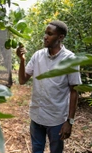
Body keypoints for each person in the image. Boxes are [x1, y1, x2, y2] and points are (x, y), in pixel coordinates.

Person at [16, 20, 82, 153]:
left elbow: (74, 91)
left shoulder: (70, 59)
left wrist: (70, 121)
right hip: (36, 116)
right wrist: (22, 60)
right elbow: (22, 80)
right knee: (37, 150)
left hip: (56, 120)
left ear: (60, 37)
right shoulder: (38, 56)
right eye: (45, 33)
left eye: (50, 34)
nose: (45, 36)